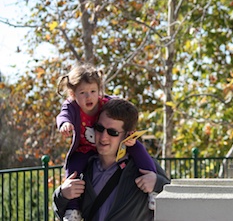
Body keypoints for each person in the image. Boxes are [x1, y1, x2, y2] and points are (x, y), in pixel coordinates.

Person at [56, 64, 158, 220]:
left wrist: (156, 183)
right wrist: (62, 194)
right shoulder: (85, 170)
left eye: (113, 132)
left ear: (126, 135)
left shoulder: (140, 165)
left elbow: (175, 201)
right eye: (99, 128)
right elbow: (59, 212)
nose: (103, 137)